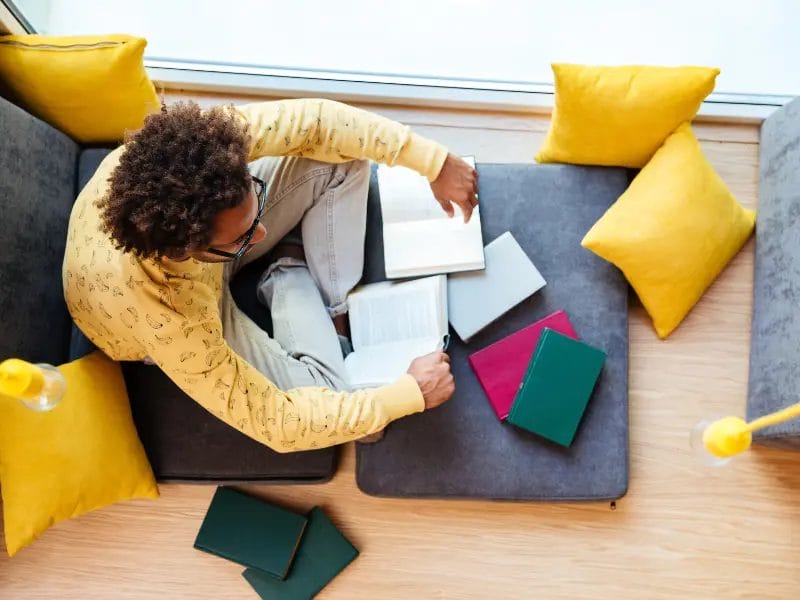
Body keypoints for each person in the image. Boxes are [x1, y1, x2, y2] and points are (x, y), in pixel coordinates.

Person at [63, 98, 478, 452]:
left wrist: (434, 162)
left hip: (201, 260)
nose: (261, 231)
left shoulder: (200, 151)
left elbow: (319, 122)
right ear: (188, 250)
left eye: (254, 201)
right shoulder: (170, 317)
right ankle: (288, 270)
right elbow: (275, 423)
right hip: (169, 313)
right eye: (246, 236)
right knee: (345, 405)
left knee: (341, 158)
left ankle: (325, 298)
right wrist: (404, 396)